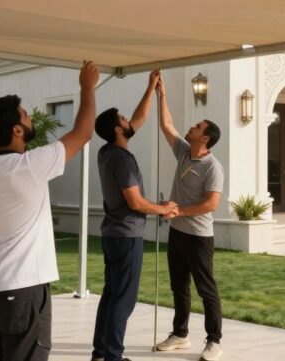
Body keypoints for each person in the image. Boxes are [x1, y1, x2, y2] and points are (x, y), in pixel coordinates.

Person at [0, 60, 99, 361]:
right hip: (22, 290)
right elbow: (83, 132)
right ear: (16, 129)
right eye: (25, 115)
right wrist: (87, 88)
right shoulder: (29, 165)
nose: (31, 117)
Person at [91, 70, 179, 361]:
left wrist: (152, 87)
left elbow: (139, 118)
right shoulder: (122, 160)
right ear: (118, 129)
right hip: (127, 237)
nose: (128, 120)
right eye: (122, 118)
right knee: (123, 300)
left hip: (112, 235)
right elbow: (136, 202)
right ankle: (113, 357)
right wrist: (164, 209)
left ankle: (101, 353)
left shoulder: (106, 152)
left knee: (111, 295)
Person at [152, 73, 225, 361]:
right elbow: (167, 125)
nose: (191, 127)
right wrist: (162, 94)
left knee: (206, 289)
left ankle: (214, 340)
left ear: (205, 137)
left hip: (198, 238)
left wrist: (179, 210)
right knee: (178, 286)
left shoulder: (213, 167)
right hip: (178, 233)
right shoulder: (184, 152)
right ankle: (180, 334)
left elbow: (211, 204)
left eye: (197, 127)